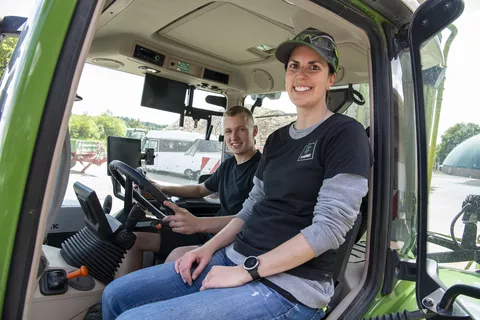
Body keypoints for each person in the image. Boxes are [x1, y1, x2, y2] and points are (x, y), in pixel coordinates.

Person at [102, 27, 373, 320]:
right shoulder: (278, 140)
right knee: (115, 295)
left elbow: (330, 229)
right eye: (294, 66)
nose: (302, 75)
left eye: (314, 67)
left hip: (289, 286)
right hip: (233, 258)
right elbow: (251, 207)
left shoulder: (345, 134)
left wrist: (246, 271)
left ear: (331, 78)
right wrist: (206, 249)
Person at [118, 105, 261, 274]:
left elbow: (249, 218)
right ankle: (122, 297)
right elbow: (200, 190)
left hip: (232, 240)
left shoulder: (262, 169)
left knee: (176, 257)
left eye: (241, 129)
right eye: (229, 131)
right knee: (133, 239)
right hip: (209, 232)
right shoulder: (228, 165)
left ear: (254, 131)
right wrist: (164, 189)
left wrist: (198, 224)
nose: (234, 137)